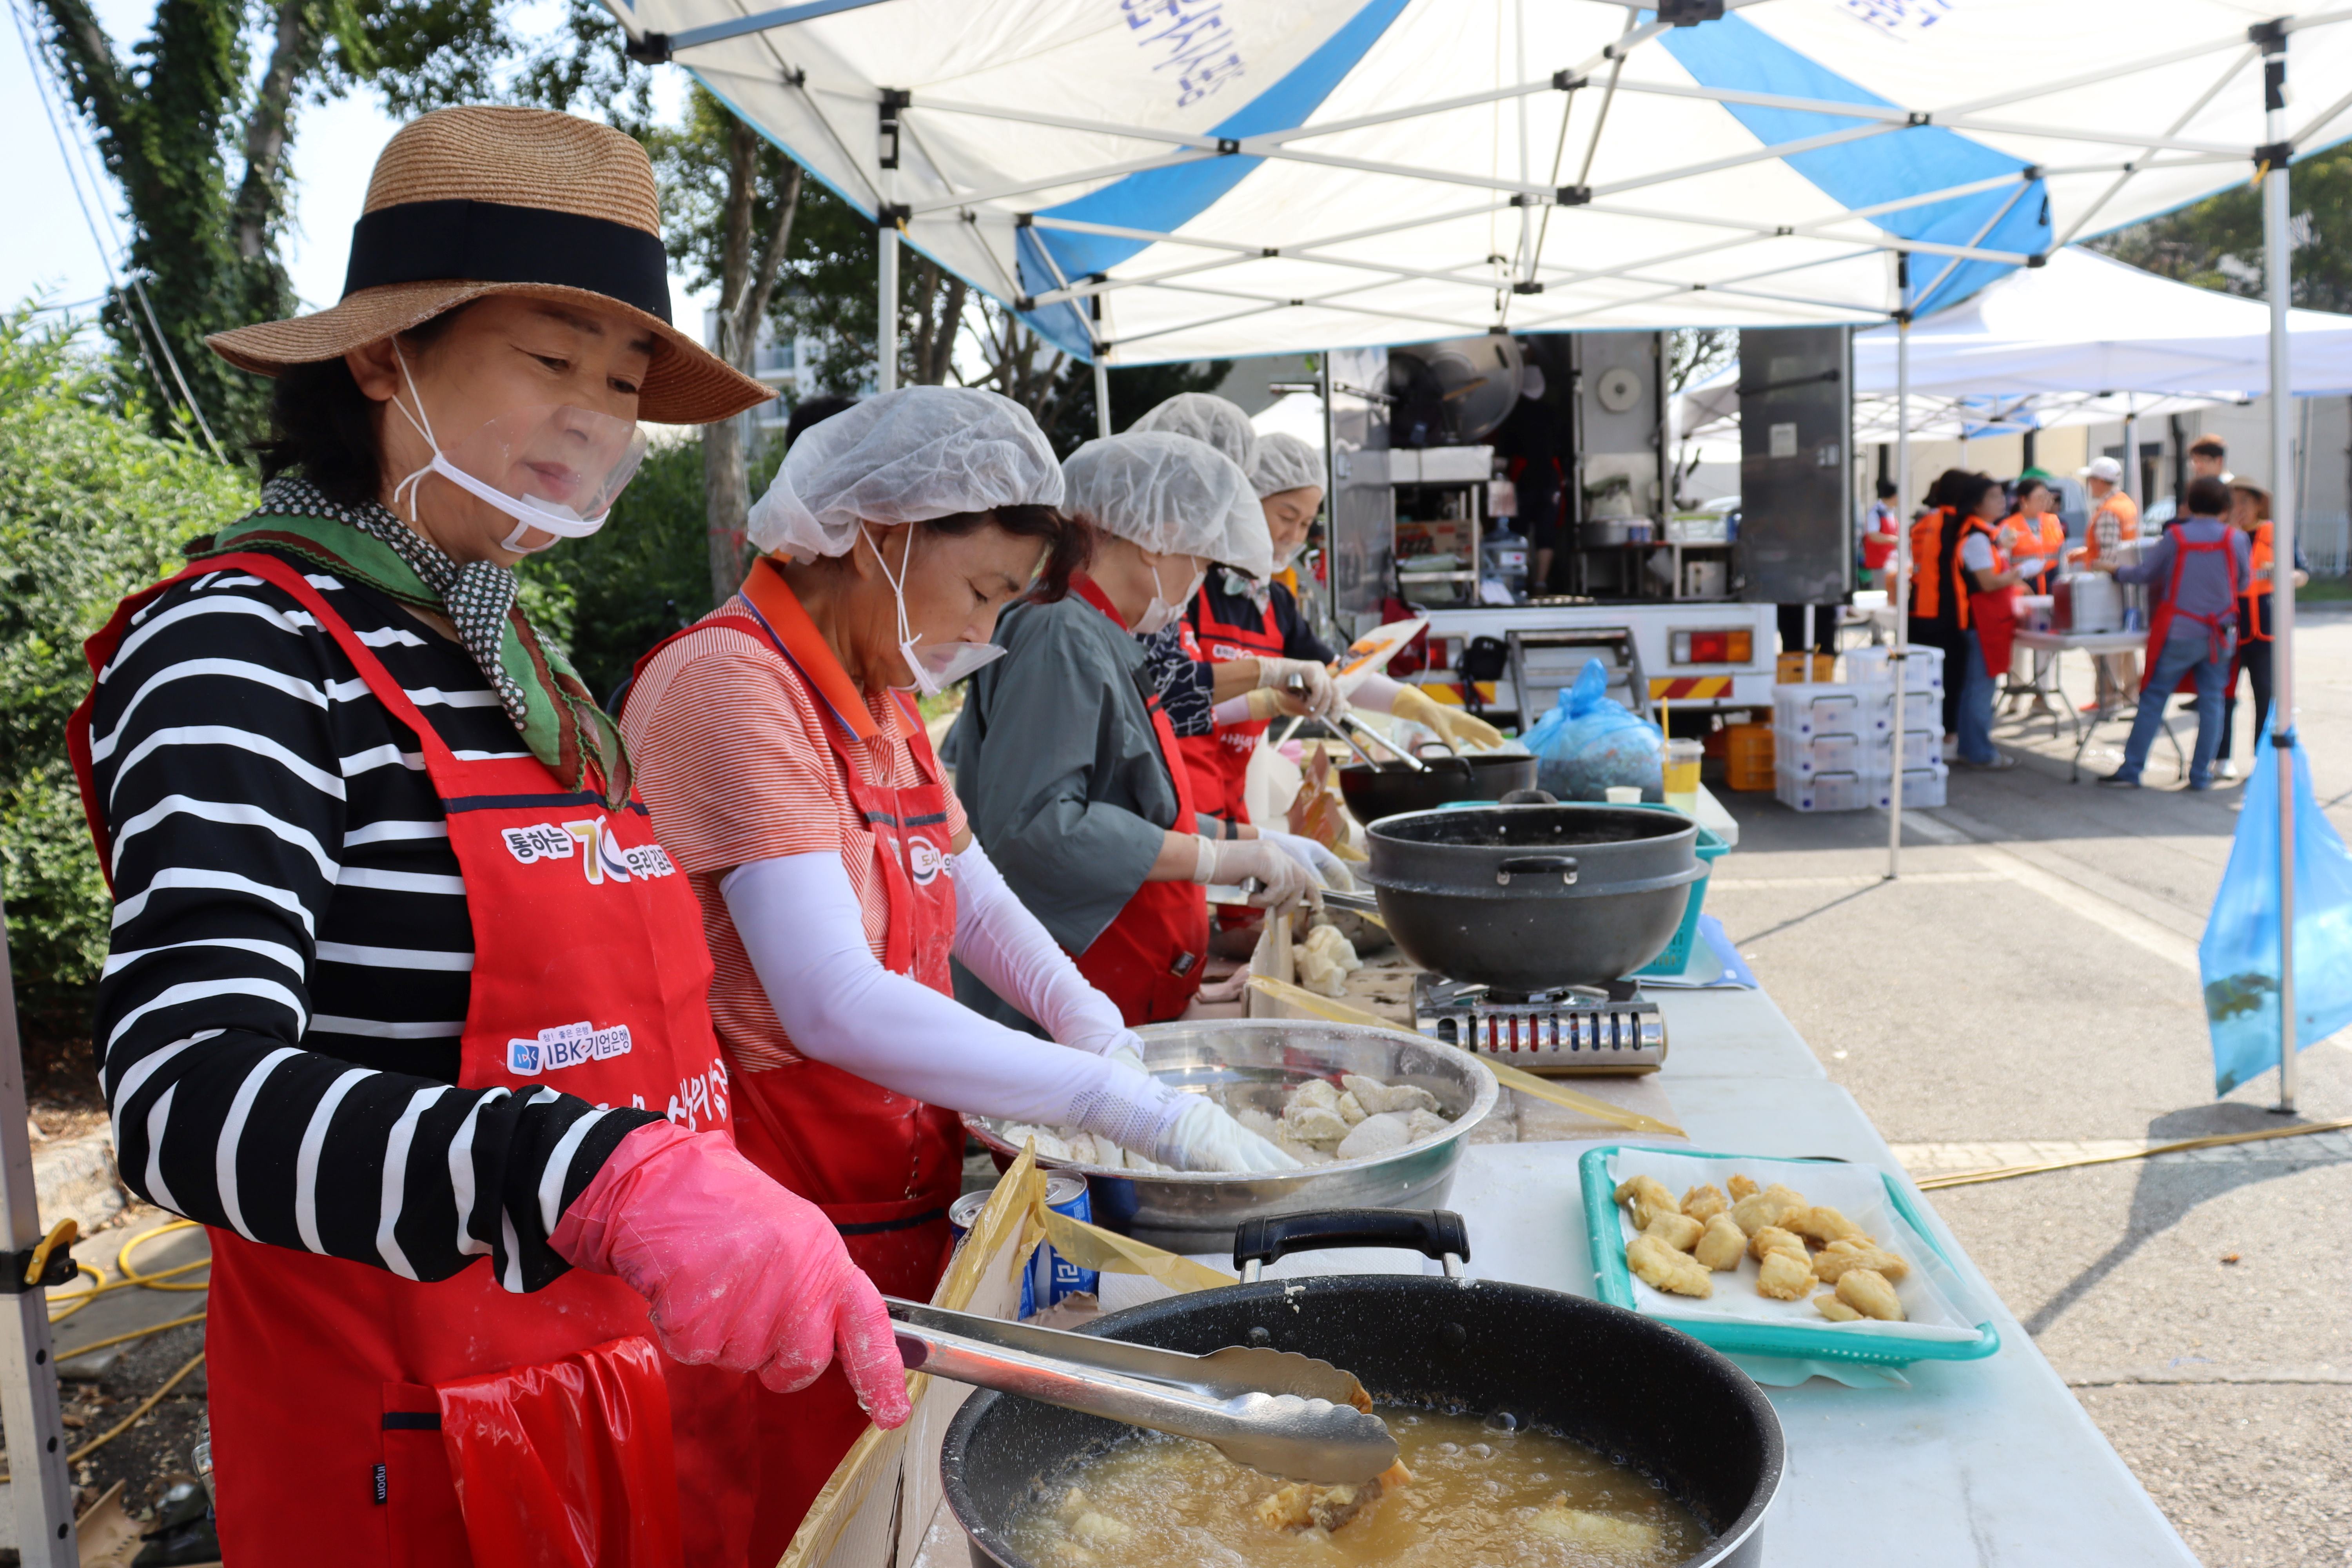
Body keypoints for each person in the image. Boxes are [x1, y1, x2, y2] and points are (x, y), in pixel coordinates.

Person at [67, 105, 907, 1564]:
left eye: (624, 378)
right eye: (551, 360)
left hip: (625, 1400)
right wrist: (595, 1174)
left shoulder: (519, 658)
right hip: (407, 1456)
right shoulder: (242, 651)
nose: (596, 418)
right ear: (386, 355)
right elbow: (181, 1095)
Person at [619, 390, 1294, 1552]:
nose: (982, 633)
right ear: (885, 536)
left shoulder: (870, 692)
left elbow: (968, 883)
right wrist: (1100, 1097)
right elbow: (828, 996)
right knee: (785, 1528)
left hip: (884, 1212)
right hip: (773, 1229)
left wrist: (1080, 1012)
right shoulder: (736, 684)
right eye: (982, 593)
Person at [950, 432, 1328, 1033]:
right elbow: (1040, 827)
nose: (1198, 583)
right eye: (1200, 563)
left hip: (1126, 995)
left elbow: (1134, 806)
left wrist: (1249, 845)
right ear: (1159, 541)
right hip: (1059, 1010)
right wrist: (1218, 858)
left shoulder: (1100, 633)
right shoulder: (1060, 636)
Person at [1178, 430, 1504, 830]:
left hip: (1232, 802)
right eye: (1286, 517)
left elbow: (1339, 673)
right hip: (1180, 803)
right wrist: (1267, 702)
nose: (1295, 536)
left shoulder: (1275, 602)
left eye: (1306, 523)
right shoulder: (1188, 589)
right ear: (1243, 500)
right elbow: (1174, 699)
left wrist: (1415, 704)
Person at [2085, 475, 2250, 789]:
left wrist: (2114, 570)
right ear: (2225, 507)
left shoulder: (2176, 537)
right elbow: (2242, 584)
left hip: (2179, 632)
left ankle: (2132, 769)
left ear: (2189, 504)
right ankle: (2201, 776)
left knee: (2154, 699)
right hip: (2220, 634)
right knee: (2213, 702)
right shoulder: (2237, 540)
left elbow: (2145, 574)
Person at [1939, 472, 2036, 770]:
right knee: (1980, 689)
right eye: (1994, 497)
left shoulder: (1983, 535)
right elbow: (1988, 583)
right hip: (1981, 622)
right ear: (1977, 504)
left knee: (1975, 688)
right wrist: (2022, 572)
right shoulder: (1976, 539)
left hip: (1986, 621)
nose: (2002, 502)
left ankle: (1972, 747)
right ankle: (1979, 751)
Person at [2216, 480, 2309, 780]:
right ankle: (2221, 758)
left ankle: (2262, 759)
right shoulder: (2224, 537)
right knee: (2225, 696)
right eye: (2232, 502)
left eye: (2244, 501)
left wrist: (2286, 575)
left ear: (2259, 504)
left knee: (2265, 697)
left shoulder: (2276, 534)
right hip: (2230, 628)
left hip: (2266, 631)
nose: (2238, 508)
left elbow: (2302, 573)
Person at [2071, 454, 2143, 706]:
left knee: (2105, 644)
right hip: (2126, 583)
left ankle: (2108, 695)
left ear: (2100, 481)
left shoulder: (2109, 511)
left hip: (2108, 586)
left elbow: (2109, 555)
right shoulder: (2126, 504)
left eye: (2091, 480)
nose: (2090, 485)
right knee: (2125, 646)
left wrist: (2092, 564)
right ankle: (2129, 693)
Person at [1996, 475, 2067, 715]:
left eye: (2047, 497)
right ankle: (2016, 693)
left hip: (2050, 591)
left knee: (2048, 644)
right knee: (2019, 645)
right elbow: (2001, 562)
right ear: (2023, 500)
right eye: (2039, 497)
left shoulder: (2054, 522)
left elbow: (2059, 557)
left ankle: (2042, 695)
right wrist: (2017, 582)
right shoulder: (2009, 526)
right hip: (2022, 592)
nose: (2045, 502)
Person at [1861, 476, 1900, 591]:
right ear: (1894, 496)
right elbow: (1873, 536)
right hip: (1879, 563)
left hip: (1891, 562)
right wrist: (1895, 540)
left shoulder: (1890, 512)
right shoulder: (1876, 513)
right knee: (1881, 594)